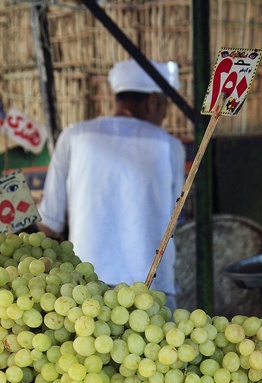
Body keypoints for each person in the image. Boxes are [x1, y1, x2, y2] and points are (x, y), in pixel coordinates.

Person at [38, 58, 185, 309]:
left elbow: (49, 221)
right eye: (165, 107)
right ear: (153, 102)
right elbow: (174, 214)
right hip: (151, 288)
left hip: (85, 289)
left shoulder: (75, 136)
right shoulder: (169, 146)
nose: (164, 114)